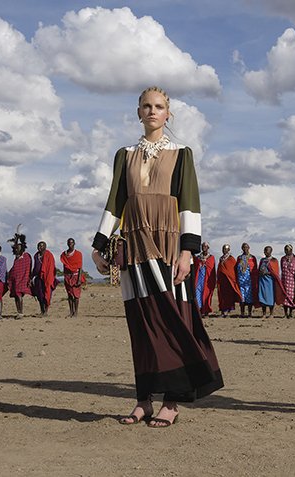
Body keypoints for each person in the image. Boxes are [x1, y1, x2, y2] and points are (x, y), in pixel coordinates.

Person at [91, 85, 223, 428]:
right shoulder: (124, 154)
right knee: (142, 323)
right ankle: (143, 400)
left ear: (168, 114)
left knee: (171, 319)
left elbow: (190, 204)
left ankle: (173, 400)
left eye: (159, 106)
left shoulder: (182, 153)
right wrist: (100, 244)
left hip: (167, 246)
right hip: (133, 245)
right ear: (138, 112)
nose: (152, 111)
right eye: (146, 106)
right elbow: (115, 200)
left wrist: (187, 251)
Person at [7, 230, 32, 318]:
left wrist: (29, 278)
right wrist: (16, 239)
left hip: (23, 278)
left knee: (18, 294)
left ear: (22, 248)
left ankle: (21, 312)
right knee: (16, 295)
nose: (17, 249)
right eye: (16, 249)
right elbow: (14, 268)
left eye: (19, 248)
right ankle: (18, 311)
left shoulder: (26, 256)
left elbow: (28, 268)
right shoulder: (16, 258)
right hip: (15, 278)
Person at [257, 246, 286, 318]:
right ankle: (264, 314)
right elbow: (259, 269)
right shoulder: (262, 260)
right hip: (262, 280)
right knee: (262, 297)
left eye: (268, 251)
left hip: (270, 281)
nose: (266, 252)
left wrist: (267, 273)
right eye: (265, 250)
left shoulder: (274, 260)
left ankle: (271, 314)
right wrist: (260, 273)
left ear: (271, 251)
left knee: (270, 297)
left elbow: (275, 272)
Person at [60, 237, 86, 318]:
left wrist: (78, 279)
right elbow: (64, 266)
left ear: (74, 244)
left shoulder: (78, 254)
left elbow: (80, 267)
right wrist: (65, 277)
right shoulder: (64, 254)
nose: (70, 244)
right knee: (70, 295)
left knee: (76, 295)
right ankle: (71, 312)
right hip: (67, 276)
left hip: (76, 275)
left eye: (72, 243)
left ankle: (76, 312)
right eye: (69, 243)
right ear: (67, 244)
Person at [31, 241, 57, 316]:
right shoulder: (36, 255)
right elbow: (35, 267)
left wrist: (48, 276)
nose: (40, 247)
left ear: (45, 247)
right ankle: (42, 311)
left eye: (42, 246)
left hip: (47, 278)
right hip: (38, 278)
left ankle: (46, 311)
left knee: (46, 294)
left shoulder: (49, 255)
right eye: (38, 246)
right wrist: (31, 277)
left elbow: (51, 267)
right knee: (39, 295)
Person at [216, 244, 241, 317]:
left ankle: (228, 311)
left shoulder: (231, 259)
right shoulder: (221, 258)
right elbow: (219, 268)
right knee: (222, 296)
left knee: (229, 296)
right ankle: (223, 311)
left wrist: (231, 278)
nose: (224, 250)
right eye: (223, 249)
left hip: (229, 281)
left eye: (226, 249)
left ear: (229, 250)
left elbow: (233, 270)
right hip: (222, 281)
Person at [193, 242, 216, 317]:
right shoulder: (198, 257)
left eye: (205, 246)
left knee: (206, 294)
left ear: (208, 247)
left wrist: (205, 264)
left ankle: (205, 310)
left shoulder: (211, 257)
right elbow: (195, 267)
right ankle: (199, 310)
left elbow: (212, 269)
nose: (204, 248)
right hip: (199, 278)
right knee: (197, 293)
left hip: (207, 279)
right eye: (203, 246)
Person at [236, 242, 258, 317]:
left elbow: (255, 269)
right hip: (241, 280)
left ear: (249, 248)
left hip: (249, 281)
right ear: (242, 249)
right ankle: (242, 313)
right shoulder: (239, 258)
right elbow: (236, 268)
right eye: (244, 247)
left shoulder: (252, 258)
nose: (245, 249)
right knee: (241, 297)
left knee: (249, 297)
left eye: (247, 247)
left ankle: (249, 313)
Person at [280, 244, 295, 318]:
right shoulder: (282, 259)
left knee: (291, 297)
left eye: (289, 249)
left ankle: (290, 313)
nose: (287, 251)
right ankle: (285, 314)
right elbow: (282, 269)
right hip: (284, 280)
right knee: (284, 297)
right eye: (286, 249)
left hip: (292, 280)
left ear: (292, 250)